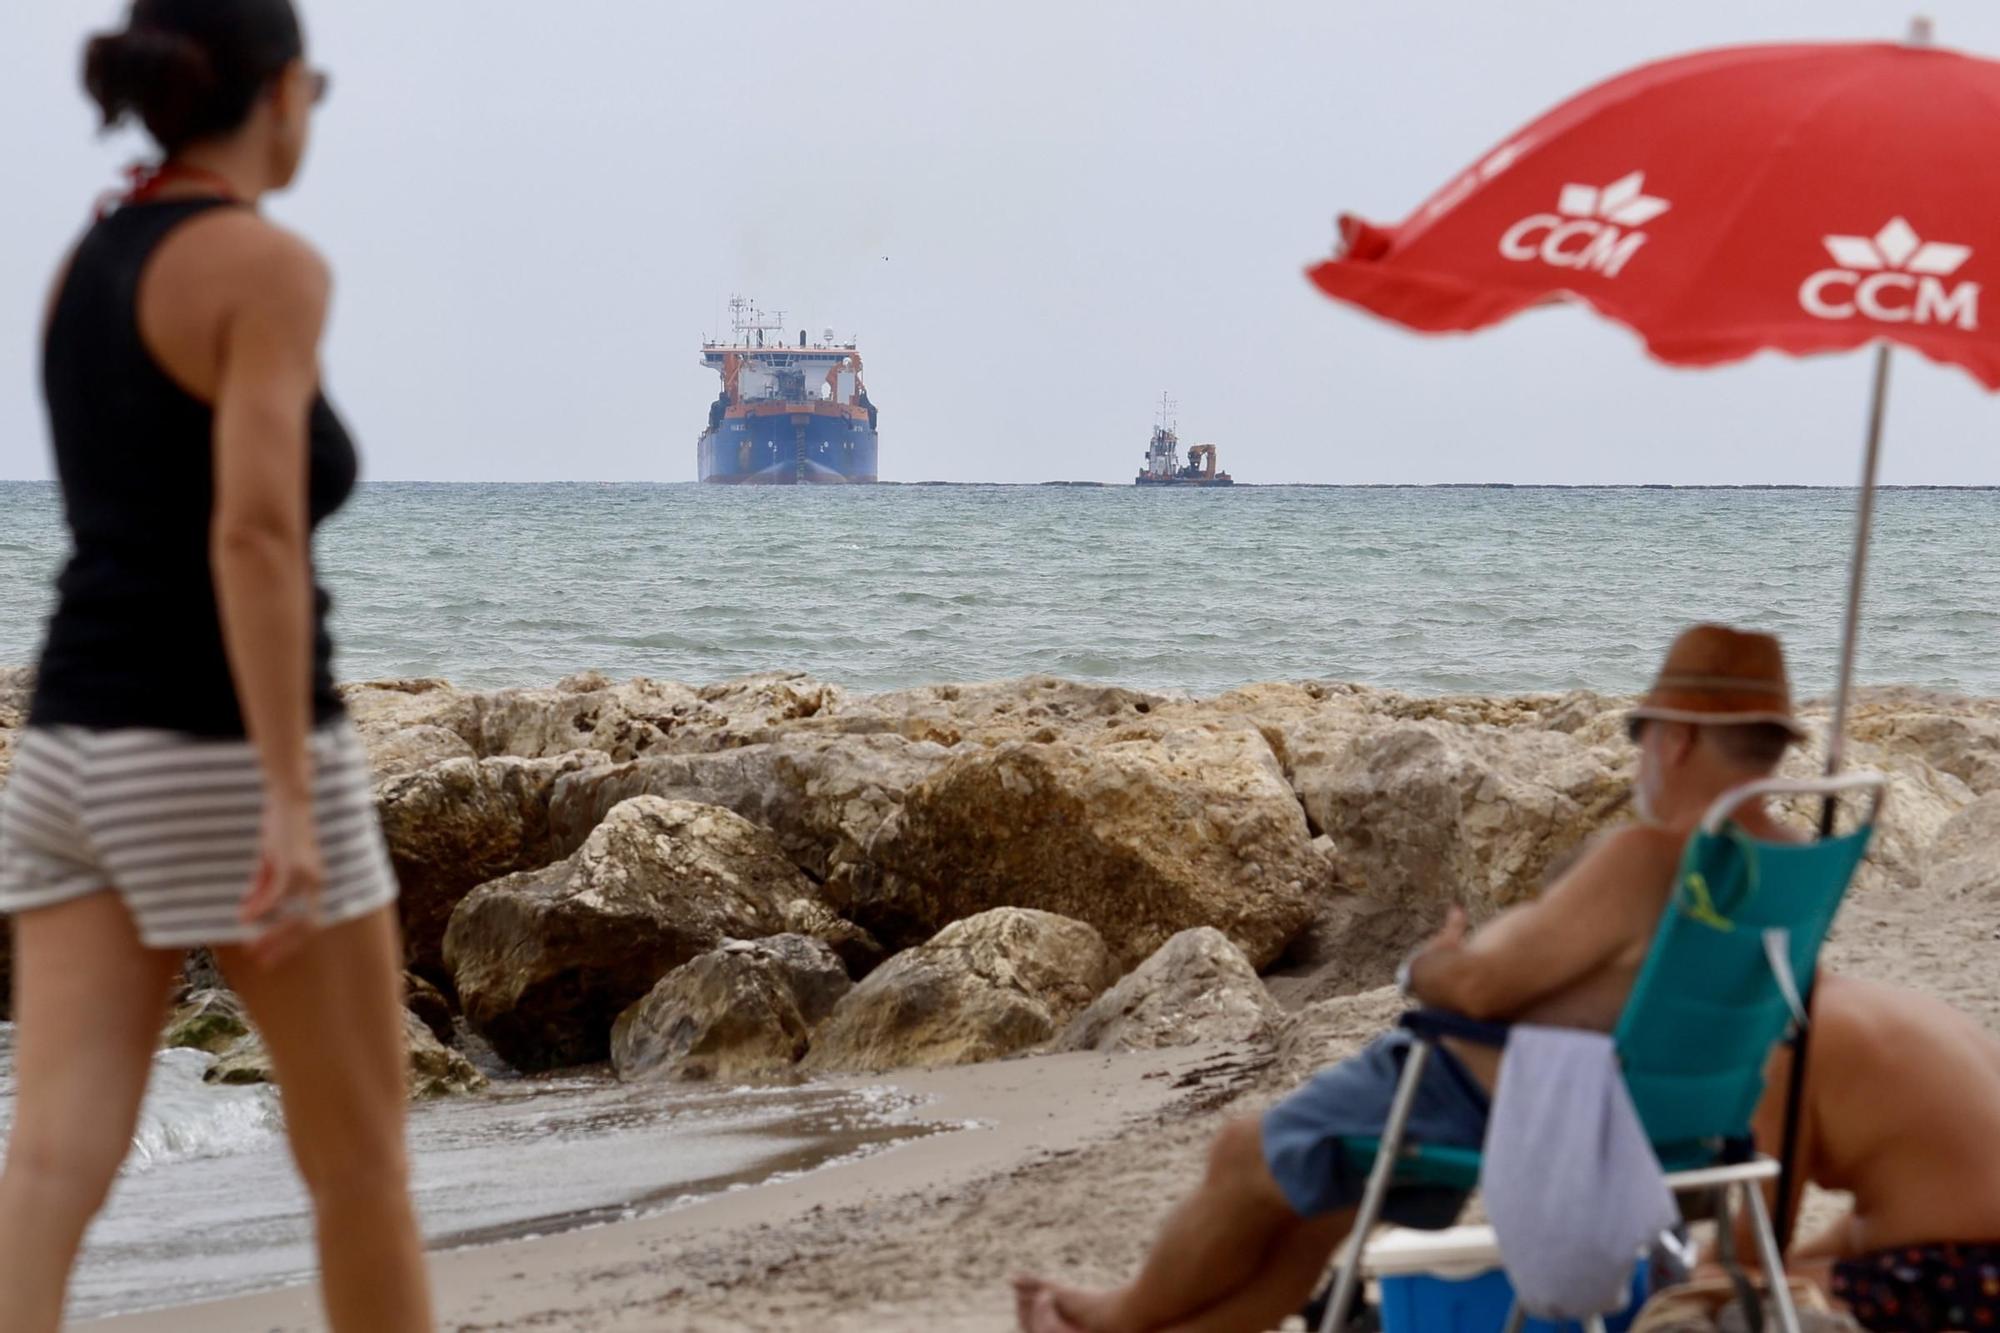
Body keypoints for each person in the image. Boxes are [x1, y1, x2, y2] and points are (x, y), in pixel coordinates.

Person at [0, 3, 432, 1330]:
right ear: (284, 92)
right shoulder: (265, 266)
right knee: (359, 1155)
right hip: (221, 751)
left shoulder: (86, 261)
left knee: (53, 1159)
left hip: (68, 752)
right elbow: (249, 531)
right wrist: (288, 799)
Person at [1014, 624, 1809, 1333]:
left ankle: (1112, 1317)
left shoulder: (1655, 856)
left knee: (1245, 1153)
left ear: (1674, 742)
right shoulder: (1790, 873)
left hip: (1496, 1092)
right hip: (1670, 1129)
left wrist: (1430, 962)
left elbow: (1480, 991)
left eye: (1645, 735)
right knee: (1312, 1211)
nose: (1642, 754)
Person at [1749, 974, 2000, 1332]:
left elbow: (1754, 1243)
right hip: (1969, 1267)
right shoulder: (1881, 1008)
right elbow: (1861, 1228)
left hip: (1973, 1277)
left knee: (1730, 1296)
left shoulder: (1796, 1038)